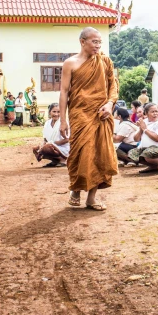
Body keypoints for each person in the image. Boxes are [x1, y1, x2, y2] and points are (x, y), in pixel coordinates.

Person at [58, 27, 119, 211]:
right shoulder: (70, 63)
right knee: (80, 153)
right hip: (79, 114)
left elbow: (113, 87)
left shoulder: (105, 62)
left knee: (100, 154)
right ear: (82, 42)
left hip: (101, 114)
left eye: (100, 42)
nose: (98, 45)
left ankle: (92, 198)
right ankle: (76, 189)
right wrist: (62, 119)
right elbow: (64, 92)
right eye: (94, 42)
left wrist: (109, 104)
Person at [128, 102, 158, 173]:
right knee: (132, 154)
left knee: (147, 155)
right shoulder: (144, 122)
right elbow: (136, 139)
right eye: (152, 112)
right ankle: (153, 166)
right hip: (147, 149)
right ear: (146, 113)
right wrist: (141, 129)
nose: (155, 113)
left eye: (156, 111)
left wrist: (145, 130)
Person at [33, 103, 69, 167]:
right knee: (36, 149)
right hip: (51, 145)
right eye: (54, 112)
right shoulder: (47, 123)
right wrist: (41, 147)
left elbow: (68, 139)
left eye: (58, 112)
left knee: (47, 148)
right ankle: (55, 161)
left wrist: (53, 143)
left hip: (63, 148)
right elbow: (45, 139)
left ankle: (63, 160)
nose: (56, 114)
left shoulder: (64, 123)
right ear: (50, 112)